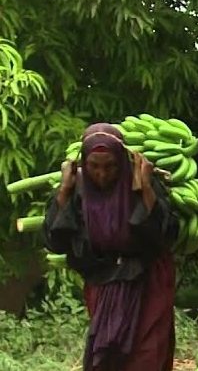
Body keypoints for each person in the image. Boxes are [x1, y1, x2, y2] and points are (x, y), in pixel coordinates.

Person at [43, 123, 179, 371]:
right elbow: (56, 241)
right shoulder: (76, 189)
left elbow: (166, 234)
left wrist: (145, 188)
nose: (102, 174)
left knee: (146, 357)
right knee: (108, 359)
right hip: (104, 283)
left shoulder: (141, 182)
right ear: (84, 163)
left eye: (110, 166)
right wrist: (64, 189)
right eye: (94, 166)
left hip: (147, 282)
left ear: (122, 161)